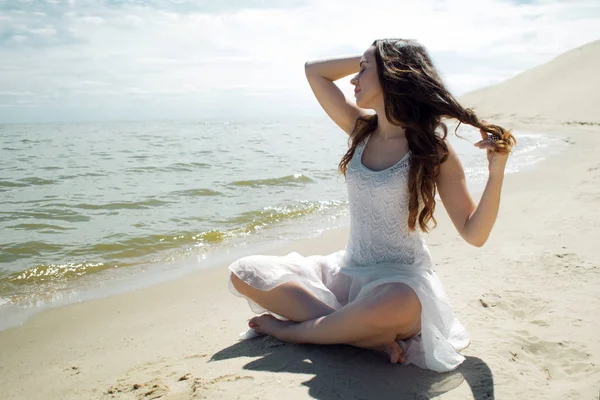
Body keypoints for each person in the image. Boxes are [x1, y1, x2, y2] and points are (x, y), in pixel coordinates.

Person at [227, 38, 516, 373]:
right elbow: (315, 72)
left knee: (397, 304)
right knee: (243, 273)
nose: (353, 79)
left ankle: (295, 331)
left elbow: (474, 233)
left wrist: (497, 172)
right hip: (346, 272)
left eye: (363, 71)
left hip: (399, 283)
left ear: (392, 75)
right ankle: (364, 336)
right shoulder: (361, 130)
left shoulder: (432, 150)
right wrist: (371, 56)